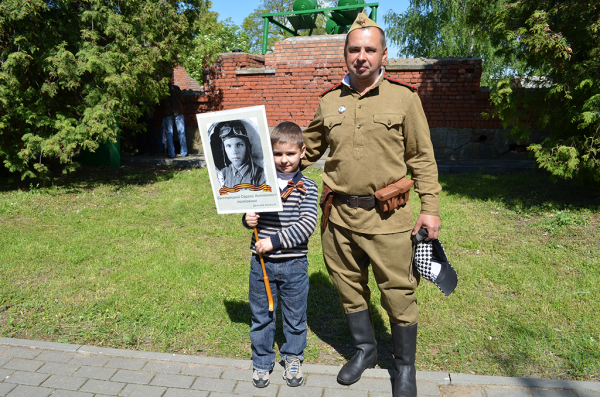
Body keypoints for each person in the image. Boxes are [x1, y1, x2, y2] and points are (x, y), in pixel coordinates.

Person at [301, 13, 442, 397]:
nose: (361, 56)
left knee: (398, 291)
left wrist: (430, 208)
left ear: (383, 55)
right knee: (348, 286)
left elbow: (422, 158)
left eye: (369, 49)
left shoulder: (404, 98)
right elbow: (307, 149)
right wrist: (264, 165)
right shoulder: (330, 101)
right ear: (344, 53)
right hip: (338, 217)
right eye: (354, 49)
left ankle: (405, 367)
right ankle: (365, 350)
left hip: (389, 218)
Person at [243, 122, 319, 389]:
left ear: (302, 152)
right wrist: (247, 218)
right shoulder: (260, 184)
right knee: (261, 315)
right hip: (261, 265)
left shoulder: (308, 188)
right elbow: (250, 215)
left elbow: (306, 226)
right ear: (269, 154)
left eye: (290, 154)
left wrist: (272, 242)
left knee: (295, 316)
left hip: (294, 264)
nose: (284, 160)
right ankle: (262, 362)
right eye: (278, 154)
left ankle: (293, 357)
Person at [216, 121, 266, 189]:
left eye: (239, 145)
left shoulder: (261, 174)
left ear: (247, 147)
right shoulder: (222, 174)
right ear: (224, 150)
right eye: (228, 146)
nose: (234, 152)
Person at [162, 77, 187, 158]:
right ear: (171, 80)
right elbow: (182, 99)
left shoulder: (162, 90)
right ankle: (184, 152)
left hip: (167, 113)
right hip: (178, 112)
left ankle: (171, 154)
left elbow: (160, 103)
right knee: (181, 132)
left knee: (169, 133)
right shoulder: (176, 88)